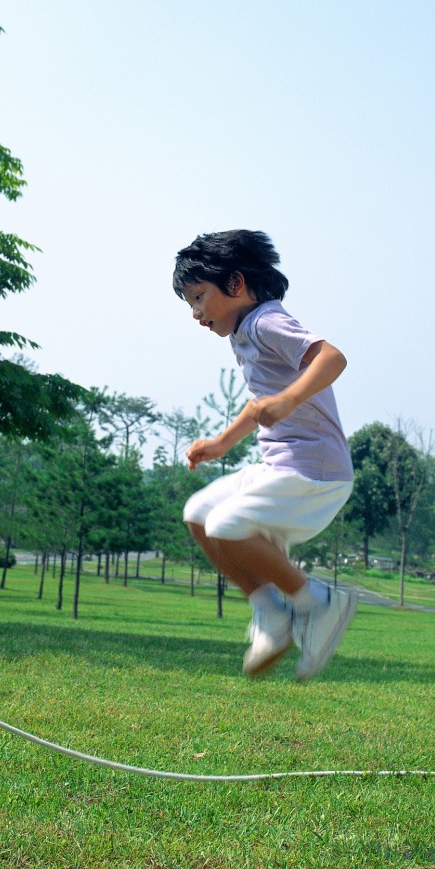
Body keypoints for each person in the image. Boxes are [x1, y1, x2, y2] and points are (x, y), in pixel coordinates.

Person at [173, 229, 356, 680]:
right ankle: (271, 613)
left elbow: (331, 358)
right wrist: (221, 443)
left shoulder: (265, 321)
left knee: (225, 525)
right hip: (280, 466)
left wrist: (290, 400)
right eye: (189, 304)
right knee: (199, 513)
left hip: (315, 471)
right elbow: (261, 403)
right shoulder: (243, 335)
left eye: (199, 297)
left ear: (236, 283)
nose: (196, 314)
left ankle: (319, 602)